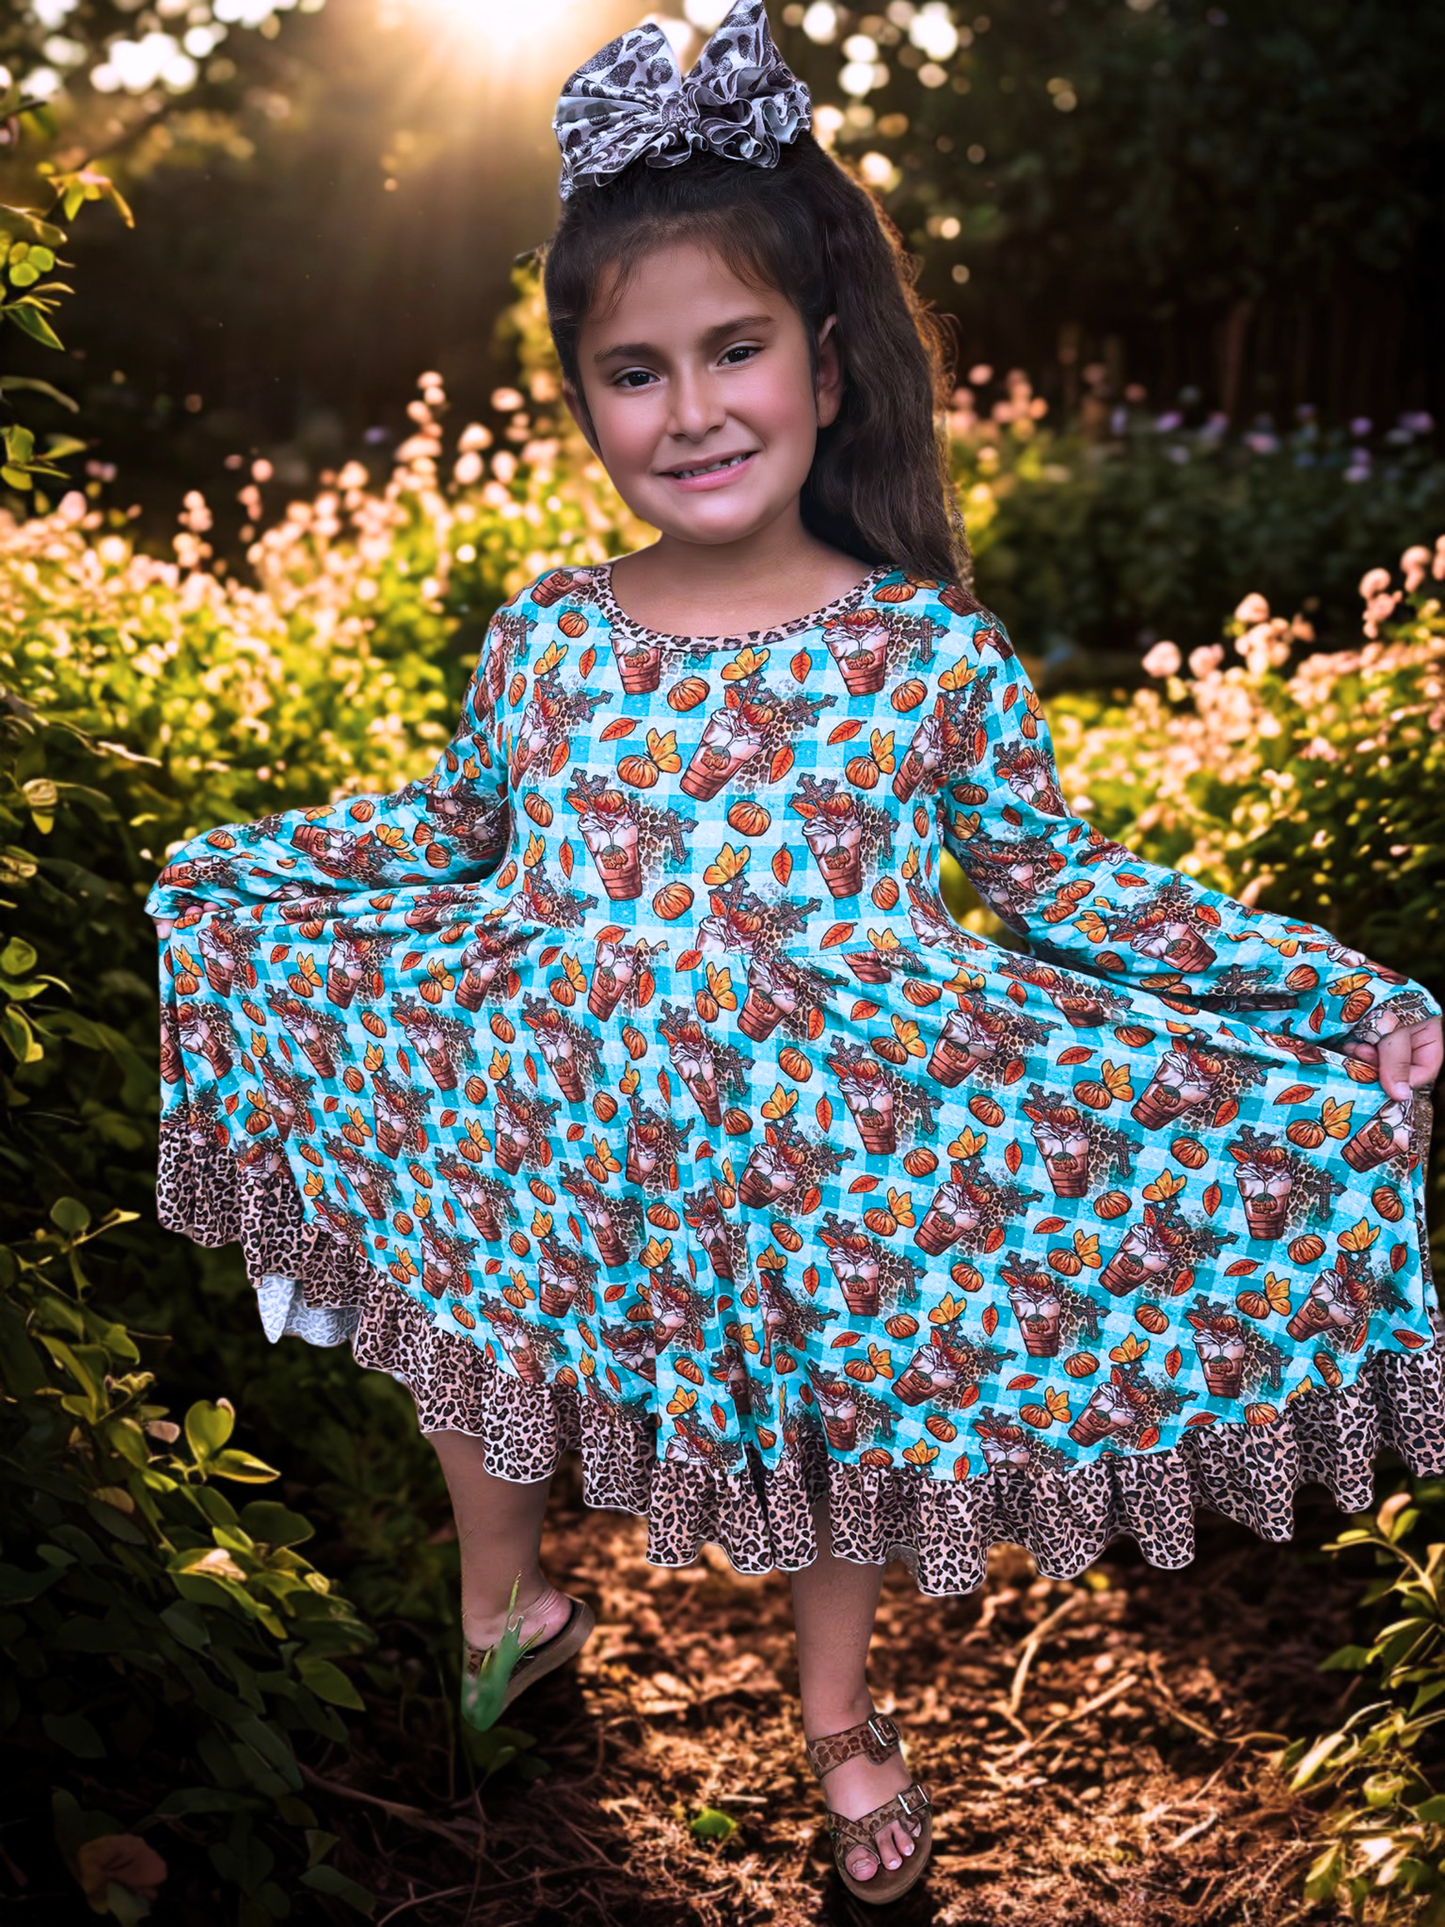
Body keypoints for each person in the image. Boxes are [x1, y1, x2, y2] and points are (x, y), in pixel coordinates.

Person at [148, 1, 1444, 1902]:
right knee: (469, 1282)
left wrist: (1336, 993)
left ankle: (833, 1715)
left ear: (825, 366)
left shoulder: (920, 651)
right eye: (634, 372)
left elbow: (1061, 882)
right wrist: (239, 875)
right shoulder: (551, 638)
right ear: (583, 398)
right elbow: (451, 831)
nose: (691, 411)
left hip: (823, 1133)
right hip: (555, 1096)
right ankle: (501, 1586)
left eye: (734, 350)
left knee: (847, 1414)